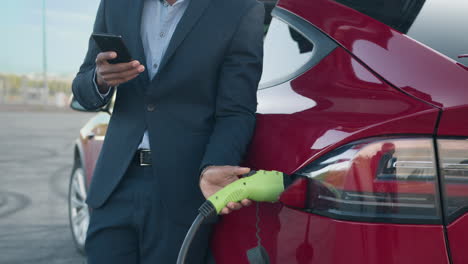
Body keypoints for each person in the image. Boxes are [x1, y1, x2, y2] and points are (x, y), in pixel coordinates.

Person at [71, 0, 265, 262]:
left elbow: (236, 109)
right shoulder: (115, 4)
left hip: (183, 190)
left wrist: (216, 164)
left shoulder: (239, 9)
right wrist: (100, 79)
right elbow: (83, 86)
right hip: (114, 186)